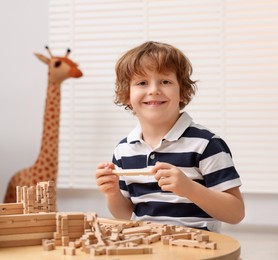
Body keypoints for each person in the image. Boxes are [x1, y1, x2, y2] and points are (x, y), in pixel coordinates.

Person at [95, 41, 245, 232]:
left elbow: (236, 213)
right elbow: (128, 215)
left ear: (182, 91)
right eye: (142, 83)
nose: (154, 90)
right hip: (147, 246)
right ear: (127, 95)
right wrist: (112, 192)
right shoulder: (123, 150)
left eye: (165, 81)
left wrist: (189, 188)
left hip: (196, 249)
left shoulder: (206, 145)